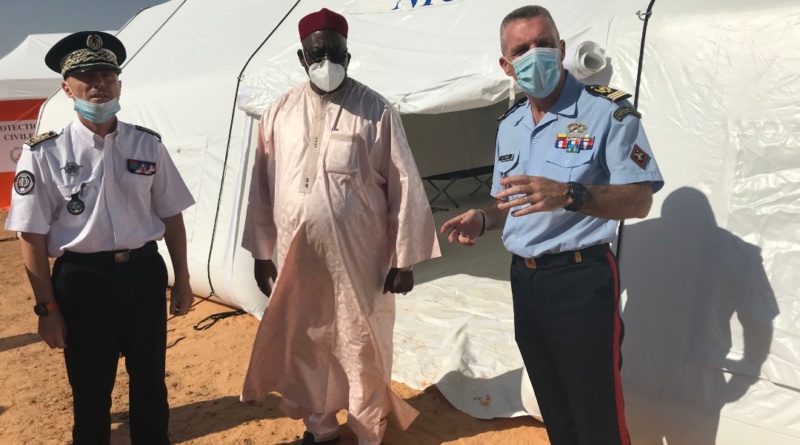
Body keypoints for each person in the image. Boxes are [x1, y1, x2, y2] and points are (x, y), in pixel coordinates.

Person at [441, 6, 664, 445]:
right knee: (555, 408)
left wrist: (571, 193)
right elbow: (514, 199)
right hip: (525, 280)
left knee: (596, 414)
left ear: (561, 49)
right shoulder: (510, 125)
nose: (534, 54)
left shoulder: (607, 112)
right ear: (507, 66)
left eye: (543, 43)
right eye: (521, 49)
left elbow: (639, 198)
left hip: (581, 281)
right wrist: (485, 217)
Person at [239, 8, 440, 445]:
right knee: (308, 344)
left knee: (361, 344)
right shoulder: (278, 113)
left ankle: (368, 432)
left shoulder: (375, 110)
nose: (326, 59)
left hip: (362, 261)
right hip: (299, 259)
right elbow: (261, 188)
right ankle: (322, 428)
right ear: (301, 57)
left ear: (348, 55)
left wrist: (404, 261)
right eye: (317, 52)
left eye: (335, 51)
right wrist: (260, 253)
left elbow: (404, 184)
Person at [5, 31, 195, 445]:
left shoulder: (148, 145)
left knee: (150, 382)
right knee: (90, 390)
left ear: (119, 84)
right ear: (66, 87)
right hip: (82, 282)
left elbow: (172, 217)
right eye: (86, 75)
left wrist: (181, 278)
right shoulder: (45, 154)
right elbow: (30, 236)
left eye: (107, 74)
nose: (98, 84)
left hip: (143, 275)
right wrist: (47, 309)